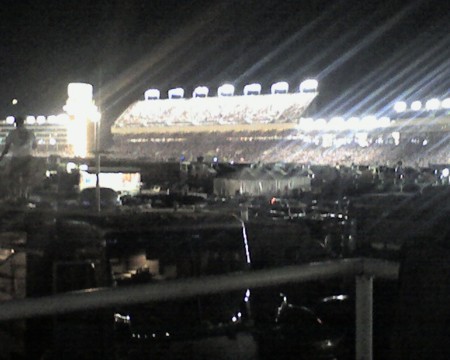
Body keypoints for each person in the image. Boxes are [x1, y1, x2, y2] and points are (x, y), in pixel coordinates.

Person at [0, 115, 37, 200]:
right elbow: (35, 146)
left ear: (16, 123)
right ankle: (24, 195)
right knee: (26, 178)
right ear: (23, 122)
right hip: (28, 157)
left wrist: (1, 157)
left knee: (13, 177)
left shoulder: (12, 133)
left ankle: (16, 195)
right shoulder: (31, 132)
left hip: (17, 158)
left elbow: (7, 148)